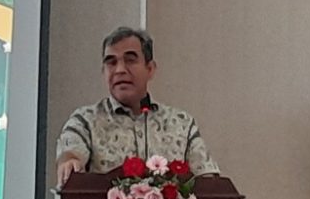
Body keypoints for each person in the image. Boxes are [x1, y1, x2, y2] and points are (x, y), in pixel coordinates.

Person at [56, 26, 219, 187]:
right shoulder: (85, 120)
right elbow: (70, 154)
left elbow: (209, 183)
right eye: (111, 62)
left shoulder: (182, 124)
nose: (120, 70)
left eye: (130, 60)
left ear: (150, 69)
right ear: (103, 71)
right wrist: (70, 162)